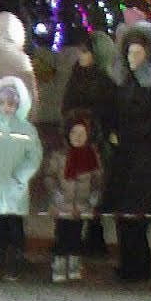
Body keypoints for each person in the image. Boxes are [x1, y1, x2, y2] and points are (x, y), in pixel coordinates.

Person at [102, 20, 151, 283]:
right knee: (124, 217)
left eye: (138, 53)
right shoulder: (123, 82)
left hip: (145, 164)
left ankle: (139, 267)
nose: (133, 58)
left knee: (137, 219)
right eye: (129, 52)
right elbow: (112, 112)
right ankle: (128, 264)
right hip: (124, 160)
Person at [0, 76, 42, 281]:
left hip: (15, 190)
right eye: (3, 103)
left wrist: (21, 177)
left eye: (11, 104)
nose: (6, 108)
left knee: (16, 232)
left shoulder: (28, 130)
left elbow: (34, 157)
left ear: (19, 105)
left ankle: (14, 267)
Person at [62, 30, 118, 255]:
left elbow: (110, 115)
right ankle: (74, 239)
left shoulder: (104, 82)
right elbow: (66, 106)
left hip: (96, 145)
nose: (80, 55)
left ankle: (95, 238)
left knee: (93, 191)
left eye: (85, 51)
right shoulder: (77, 75)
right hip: (75, 143)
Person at [43, 112, 102, 283]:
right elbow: (49, 176)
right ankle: (59, 263)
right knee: (62, 234)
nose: (78, 137)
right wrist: (55, 194)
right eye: (74, 133)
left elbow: (97, 180)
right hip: (62, 204)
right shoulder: (59, 156)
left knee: (77, 235)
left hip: (82, 205)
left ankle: (74, 263)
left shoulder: (92, 156)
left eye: (82, 134)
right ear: (68, 135)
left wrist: (94, 197)